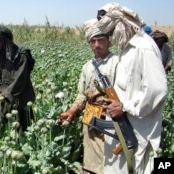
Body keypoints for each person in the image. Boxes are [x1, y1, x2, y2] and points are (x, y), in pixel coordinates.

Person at [92, 2, 168, 174]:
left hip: (136, 133)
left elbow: (157, 90)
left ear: (121, 25)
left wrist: (125, 107)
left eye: (110, 32)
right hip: (122, 129)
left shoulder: (143, 48)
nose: (110, 37)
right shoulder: (128, 49)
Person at [59, 19, 119, 174]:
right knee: (90, 160)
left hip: (110, 119)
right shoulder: (87, 66)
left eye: (100, 40)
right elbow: (82, 94)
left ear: (109, 42)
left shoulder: (117, 63)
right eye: (93, 41)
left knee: (109, 161)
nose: (97, 45)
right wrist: (72, 111)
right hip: (90, 118)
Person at [0, 24, 35, 132]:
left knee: (22, 138)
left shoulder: (21, 56)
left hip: (20, 105)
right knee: (3, 136)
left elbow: (18, 85)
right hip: (1, 106)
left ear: (5, 41)